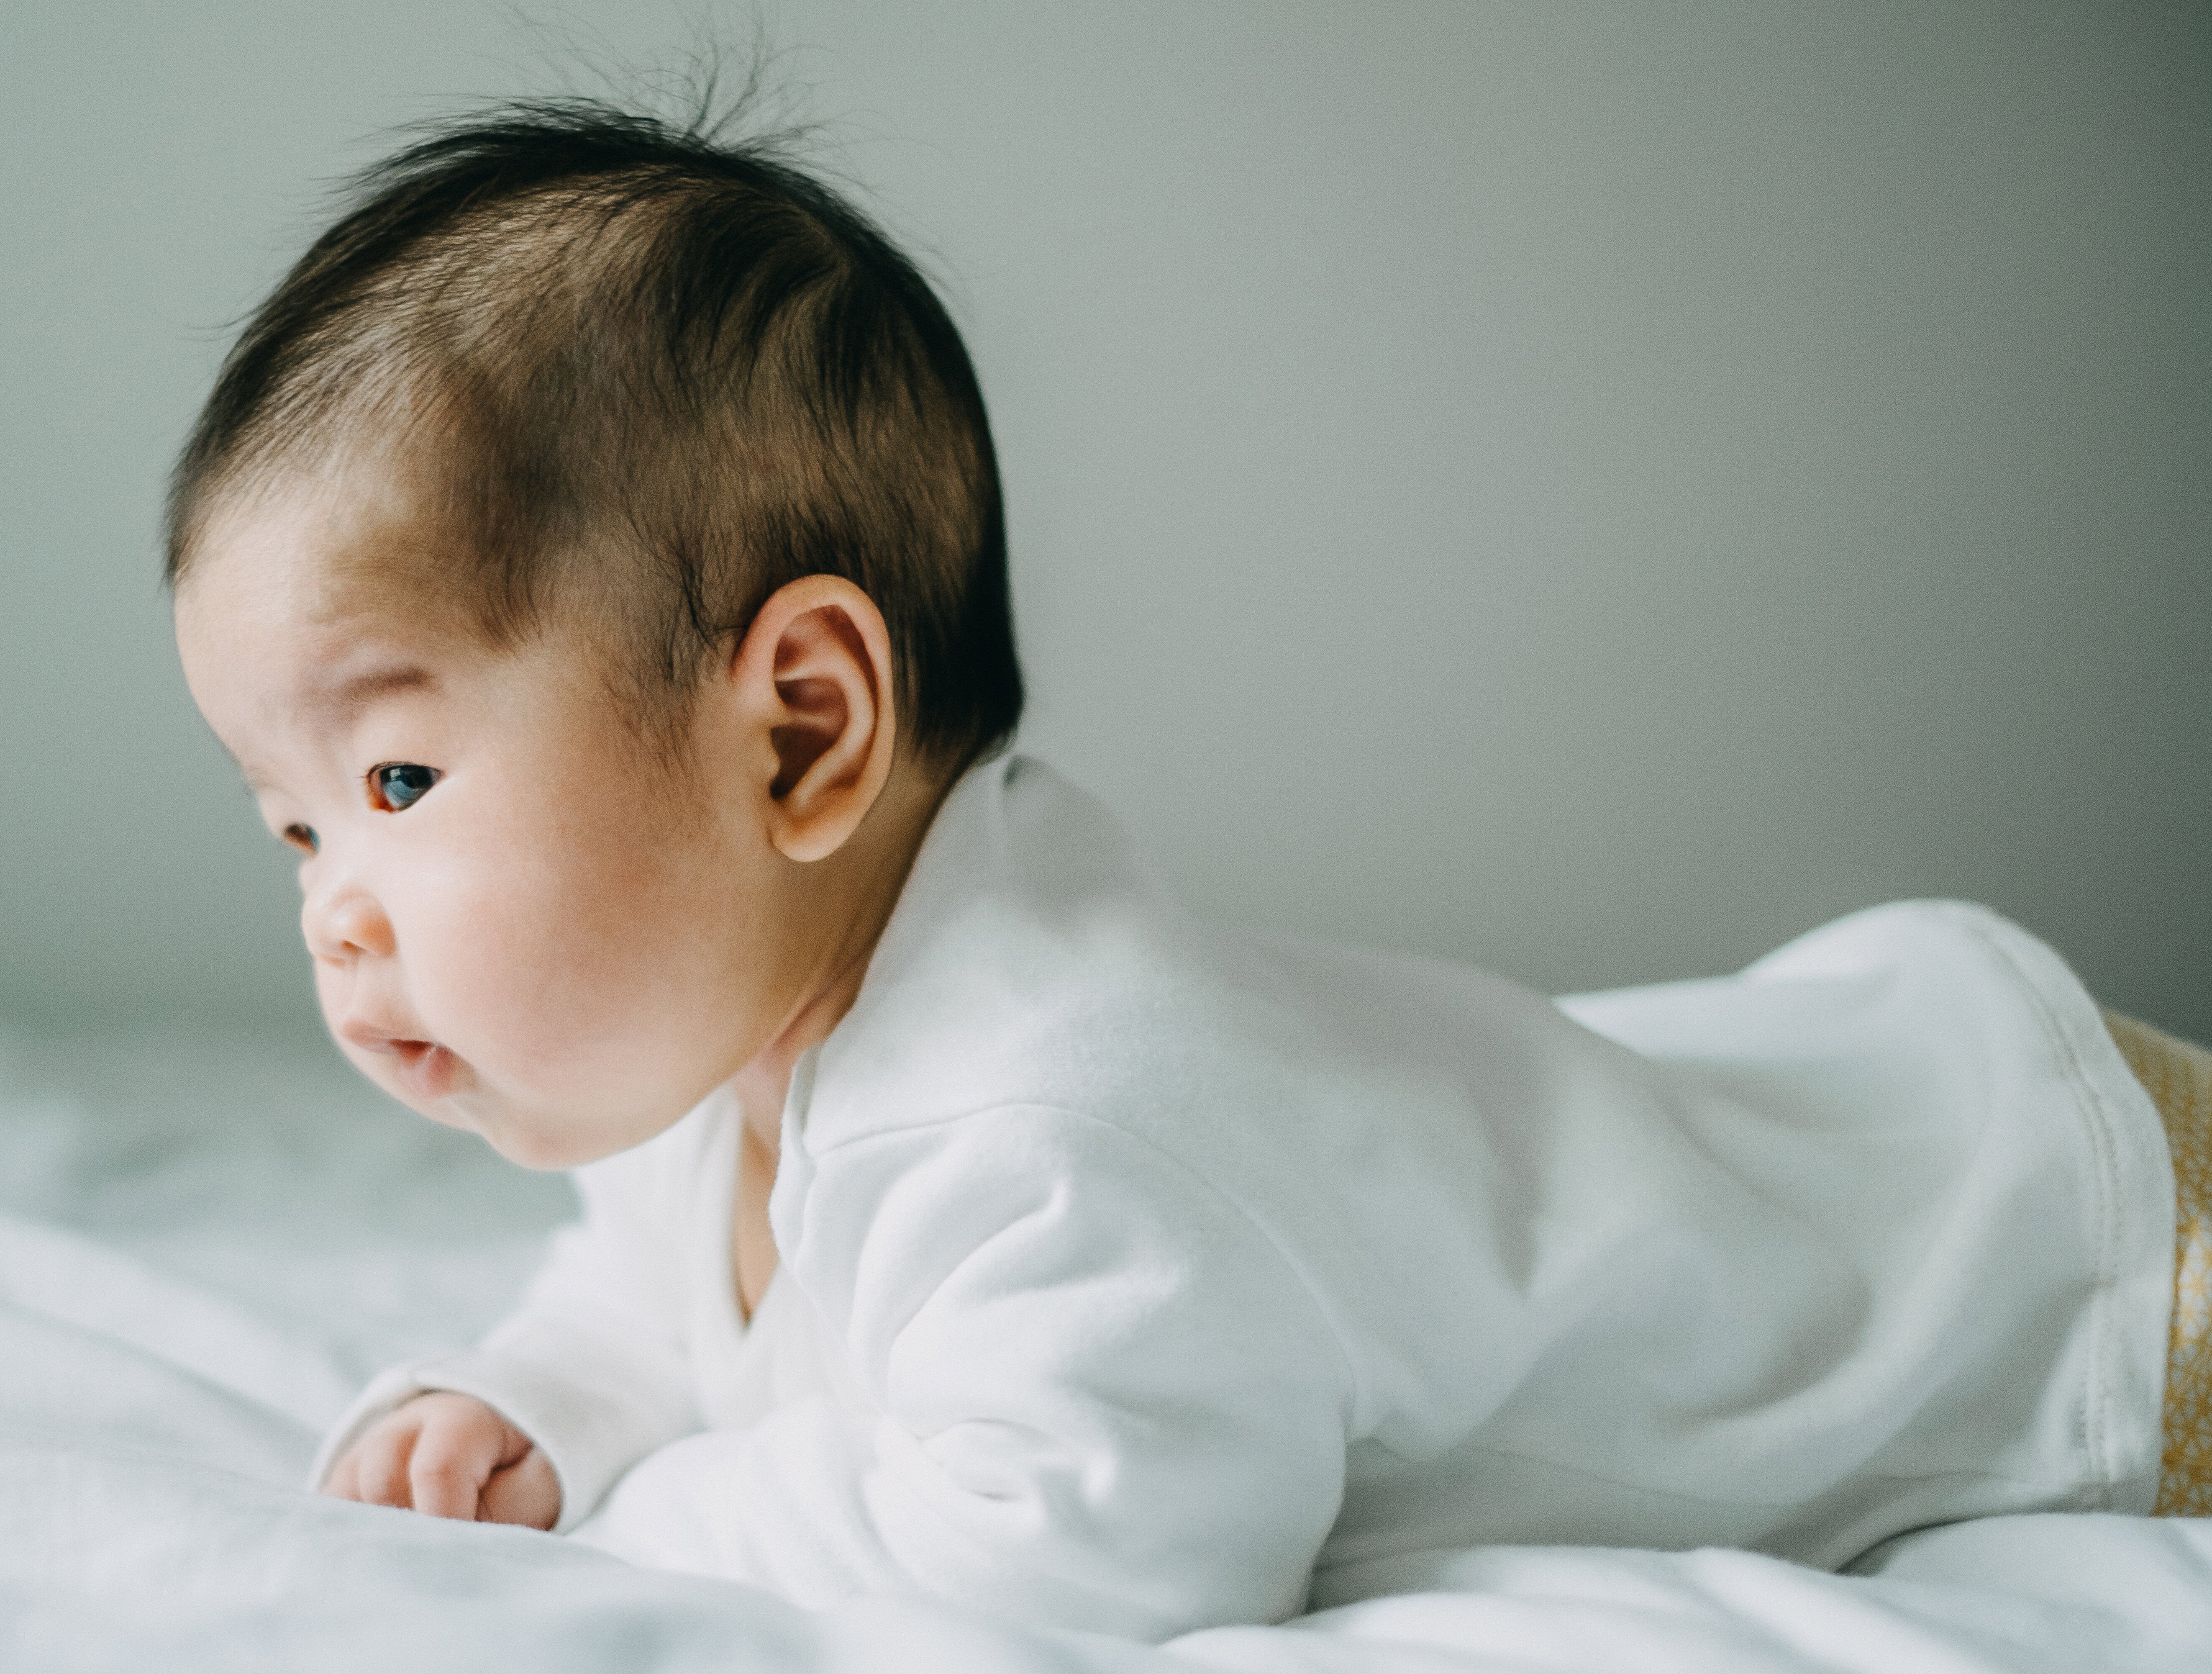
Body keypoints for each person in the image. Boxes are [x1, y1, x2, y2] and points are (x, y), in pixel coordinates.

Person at [165, 100, 2209, 1641]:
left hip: (2059, 1260)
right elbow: (663, 1297)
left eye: (402, 774)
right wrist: (539, 1409)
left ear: (799, 728)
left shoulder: (1061, 1124)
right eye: (295, 825)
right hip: (1913, 1113)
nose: (333, 906)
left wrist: (631, 1533)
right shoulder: (732, 1029)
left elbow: (1069, 1554)